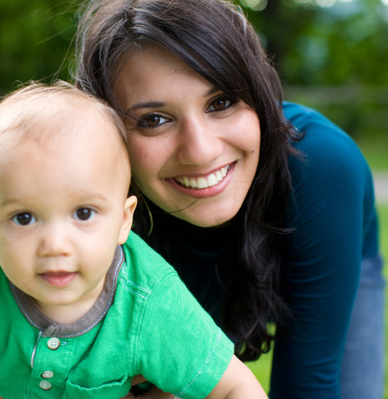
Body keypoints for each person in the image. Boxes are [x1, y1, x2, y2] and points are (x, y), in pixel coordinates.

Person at [72, 0, 385, 398]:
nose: (201, 151)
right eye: (154, 119)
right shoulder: (90, 194)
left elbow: (309, 384)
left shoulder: (322, 166)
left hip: (326, 256)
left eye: (221, 102)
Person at [0, 81, 268, 399]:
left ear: (123, 221)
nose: (55, 245)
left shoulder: (149, 302)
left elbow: (236, 386)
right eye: (24, 217)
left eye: (83, 213)